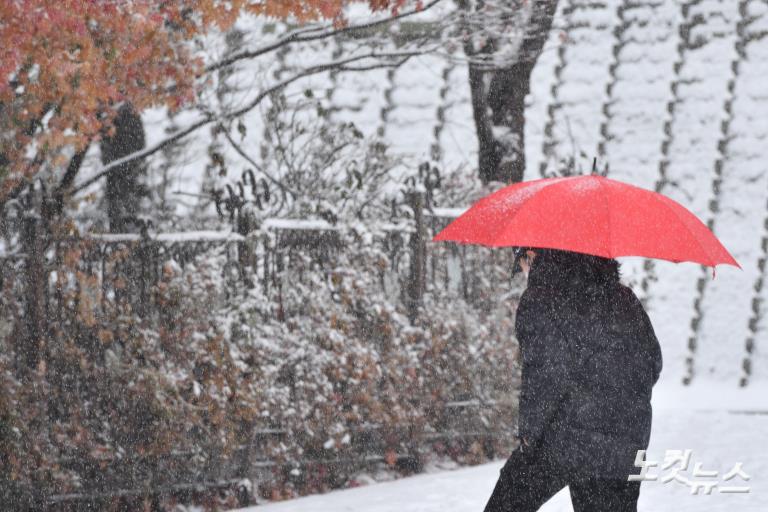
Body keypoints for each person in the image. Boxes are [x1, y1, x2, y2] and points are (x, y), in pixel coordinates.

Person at [483, 247, 663, 512]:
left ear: (532, 255)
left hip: (560, 438)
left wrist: (530, 434)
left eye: (521, 263)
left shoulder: (541, 299)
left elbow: (546, 373)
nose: (523, 272)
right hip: (623, 442)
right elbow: (652, 363)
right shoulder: (624, 298)